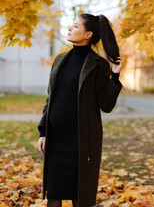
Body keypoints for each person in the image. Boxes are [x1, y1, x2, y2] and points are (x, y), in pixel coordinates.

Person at [37, 13, 124, 207]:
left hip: (81, 142)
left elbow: (106, 105)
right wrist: (43, 132)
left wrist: (115, 77)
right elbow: (50, 99)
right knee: (53, 197)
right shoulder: (59, 60)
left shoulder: (98, 65)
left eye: (75, 26)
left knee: (80, 197)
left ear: (88, 34)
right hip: (56, 139)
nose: (70, 28)